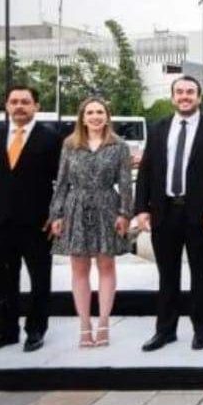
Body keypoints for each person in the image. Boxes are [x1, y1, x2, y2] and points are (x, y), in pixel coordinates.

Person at [134, 76, 203, 352]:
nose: (185, 96)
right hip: (164, 212)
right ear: (173, 96)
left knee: (200, 273)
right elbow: (146, 172)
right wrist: (141, 208)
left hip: (198, 214)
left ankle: (201, 330)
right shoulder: (158, 129)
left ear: (199, 97)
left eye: (190, 92)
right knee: (167, 274)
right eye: (180, 92)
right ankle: (165, 330)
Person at [0, 85, 61, 354]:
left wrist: (57, 215)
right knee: (5, 280)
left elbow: (64, 182)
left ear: (36, 106)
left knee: (39, 280)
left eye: (25, 101)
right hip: (0, 223)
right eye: (14, 101)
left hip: (38, 224)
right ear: (6, 106)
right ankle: (5, 331)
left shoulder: (51, 140)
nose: (19, 106)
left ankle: (35, 330)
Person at [48, 97, 134, 347]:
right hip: (76, 207)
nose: (95, 116)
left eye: (100, 112)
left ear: (107, 116)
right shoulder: (70, 144)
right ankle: (85, 323)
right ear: (82, 118)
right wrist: (57, 214)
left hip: (108, 206)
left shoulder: (119, 146)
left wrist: (124, 213)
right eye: (90, 112)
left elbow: (126, 183)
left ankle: (104, 322)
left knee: (106, 265)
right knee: (79, 268)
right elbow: (62, 181)